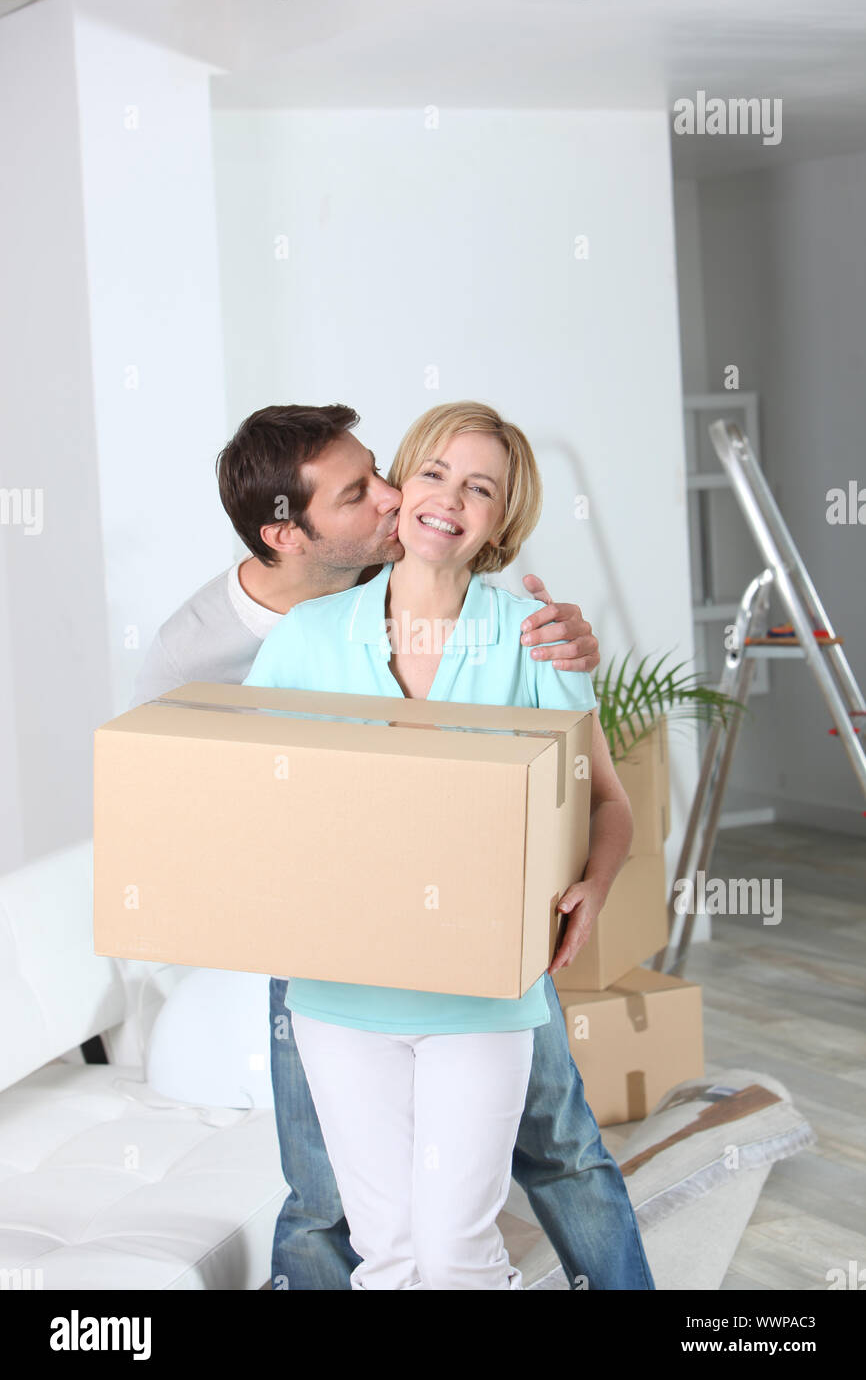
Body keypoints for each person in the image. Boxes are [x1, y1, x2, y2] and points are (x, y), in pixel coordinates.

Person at [131, 401, 653, 1291]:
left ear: (503, 516)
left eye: (480, 486)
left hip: (484, 996)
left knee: (460, 1250)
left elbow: (608, 802)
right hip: (338, 998)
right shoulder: (302, 638)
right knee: (387, 1253)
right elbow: (235, 803)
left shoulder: (531, 635)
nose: (444, 496)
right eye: (435, 473)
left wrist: (596, 888)